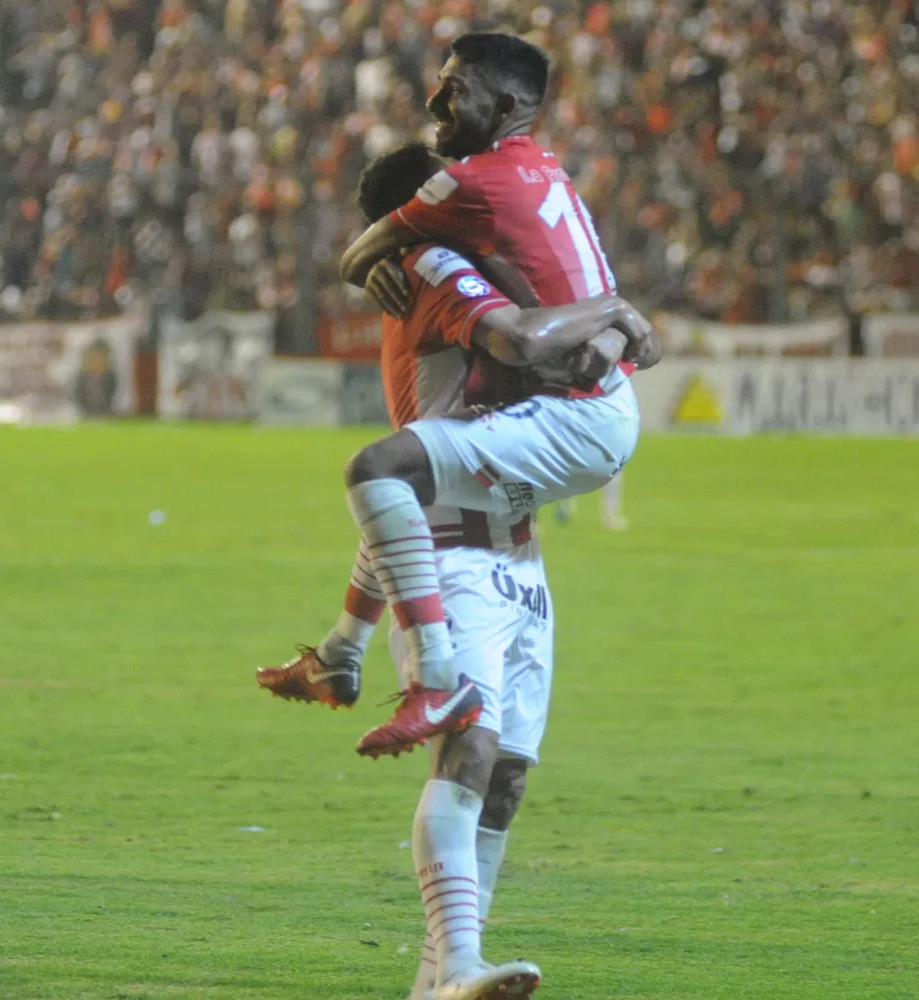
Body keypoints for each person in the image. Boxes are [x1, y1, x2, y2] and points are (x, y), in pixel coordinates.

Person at [258, 143, 654, 1000]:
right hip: (464, 558)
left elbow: (404, 503)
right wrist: (612, 313)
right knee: (468, 754)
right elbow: (527, 348)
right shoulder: (436, 270)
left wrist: (346, 639)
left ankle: (437, 980)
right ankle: (462, 967)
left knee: (504, 773)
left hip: (514, 554)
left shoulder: (441, 270)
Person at [332, 33, 642, 753]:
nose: (435, 101)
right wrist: (620, 319)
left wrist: (370, 260)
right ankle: (344, 653)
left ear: (503, 104)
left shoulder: (459, 200)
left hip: (574, 424)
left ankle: (426, 676)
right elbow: (598, 322)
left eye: (452, 88)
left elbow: (523, 340)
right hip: (591, 424)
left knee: (381, 473)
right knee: (496, 773)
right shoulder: (548, 173)